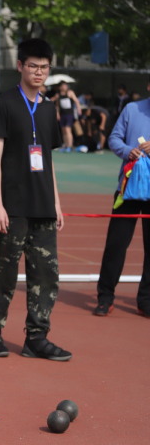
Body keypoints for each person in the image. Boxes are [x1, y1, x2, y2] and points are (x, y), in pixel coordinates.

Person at [0, 38, 72, 361]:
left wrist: (56, 202)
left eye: (44, 67)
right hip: (13, 207)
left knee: (46, 275)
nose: (38, 72)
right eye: (32, 66)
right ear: (20, 66)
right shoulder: (3, 104)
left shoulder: (48, 109)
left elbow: (48, 159)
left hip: (43, 206)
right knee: (4, 274)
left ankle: (36, 338)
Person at [93, 77, 150, 318]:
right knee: (116, 244)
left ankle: (146, 300)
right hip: (128, 189)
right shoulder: (132, 109)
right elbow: (114, 138)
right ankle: (105, 297)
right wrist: (128, 151)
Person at [55, 81, 82, 152]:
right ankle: (65, 145)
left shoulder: (70, 93)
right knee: (63, 130)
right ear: (60, 87)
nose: (65, 87)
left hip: (69, 114)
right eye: (63, 85)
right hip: (62, 115)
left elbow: (76, 101)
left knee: (67, 130)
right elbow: (57, 106)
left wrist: (78, 109)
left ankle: (69, 146)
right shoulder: (58, 95)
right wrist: (57, 114)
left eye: (65, 85)